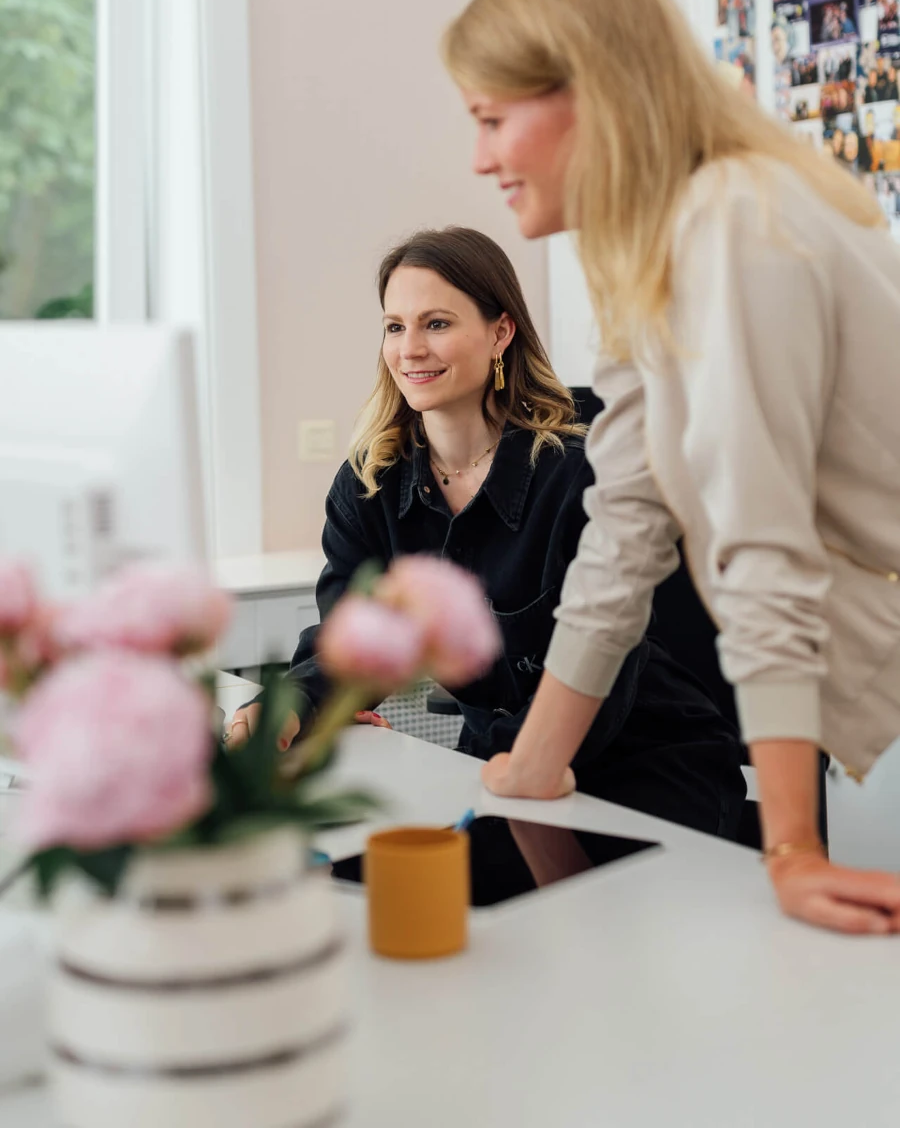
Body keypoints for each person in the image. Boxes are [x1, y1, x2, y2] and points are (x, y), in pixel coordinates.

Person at [441, 0, 900, 935]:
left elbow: (760, 542)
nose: (479, 159)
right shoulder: (645, 248)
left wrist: (791, 852)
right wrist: (539, 760)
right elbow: (629, 519)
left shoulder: (735, 221)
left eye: (491, 120)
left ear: (591, 95)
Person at [228, 226, 746, 837]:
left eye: (437, 324)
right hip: (497, 771)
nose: (410, 349)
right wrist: (291, 706)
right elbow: (351, 640)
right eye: (395, 326)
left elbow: (604, 671)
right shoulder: (370, 484)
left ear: (501, 332)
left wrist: (481, 767)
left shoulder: (579, 473)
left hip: (639, 769)